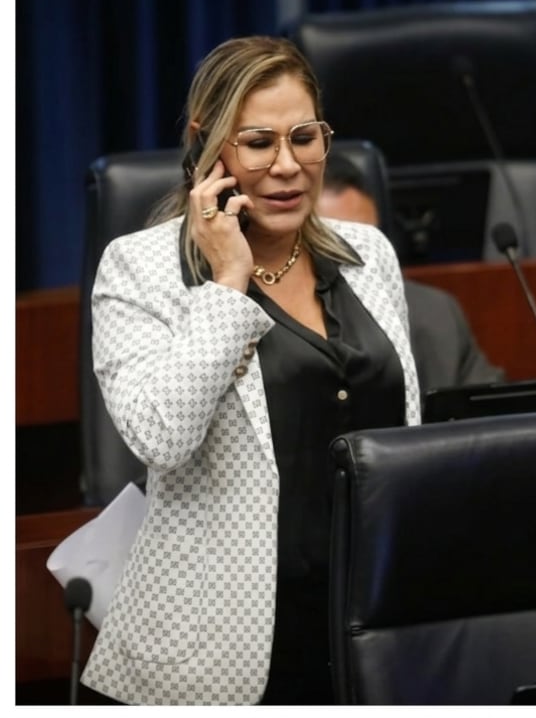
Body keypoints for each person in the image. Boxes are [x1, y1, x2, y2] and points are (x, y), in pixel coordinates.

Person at [81, 36, 422, 705]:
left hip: (367, 630)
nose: (288, 166)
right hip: (215, 649)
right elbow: (160, 438)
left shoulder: (369, 254)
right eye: (260, 142)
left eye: (305, 137)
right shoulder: (139, 268)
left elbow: (402, 431)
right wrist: (229, 284)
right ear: (208, 147)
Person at [318, 151, 504, 390]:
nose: (355, 257)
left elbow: (488, 414)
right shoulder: (276, 328)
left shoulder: (436, 315)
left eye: (369, 240)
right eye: (336, 245)